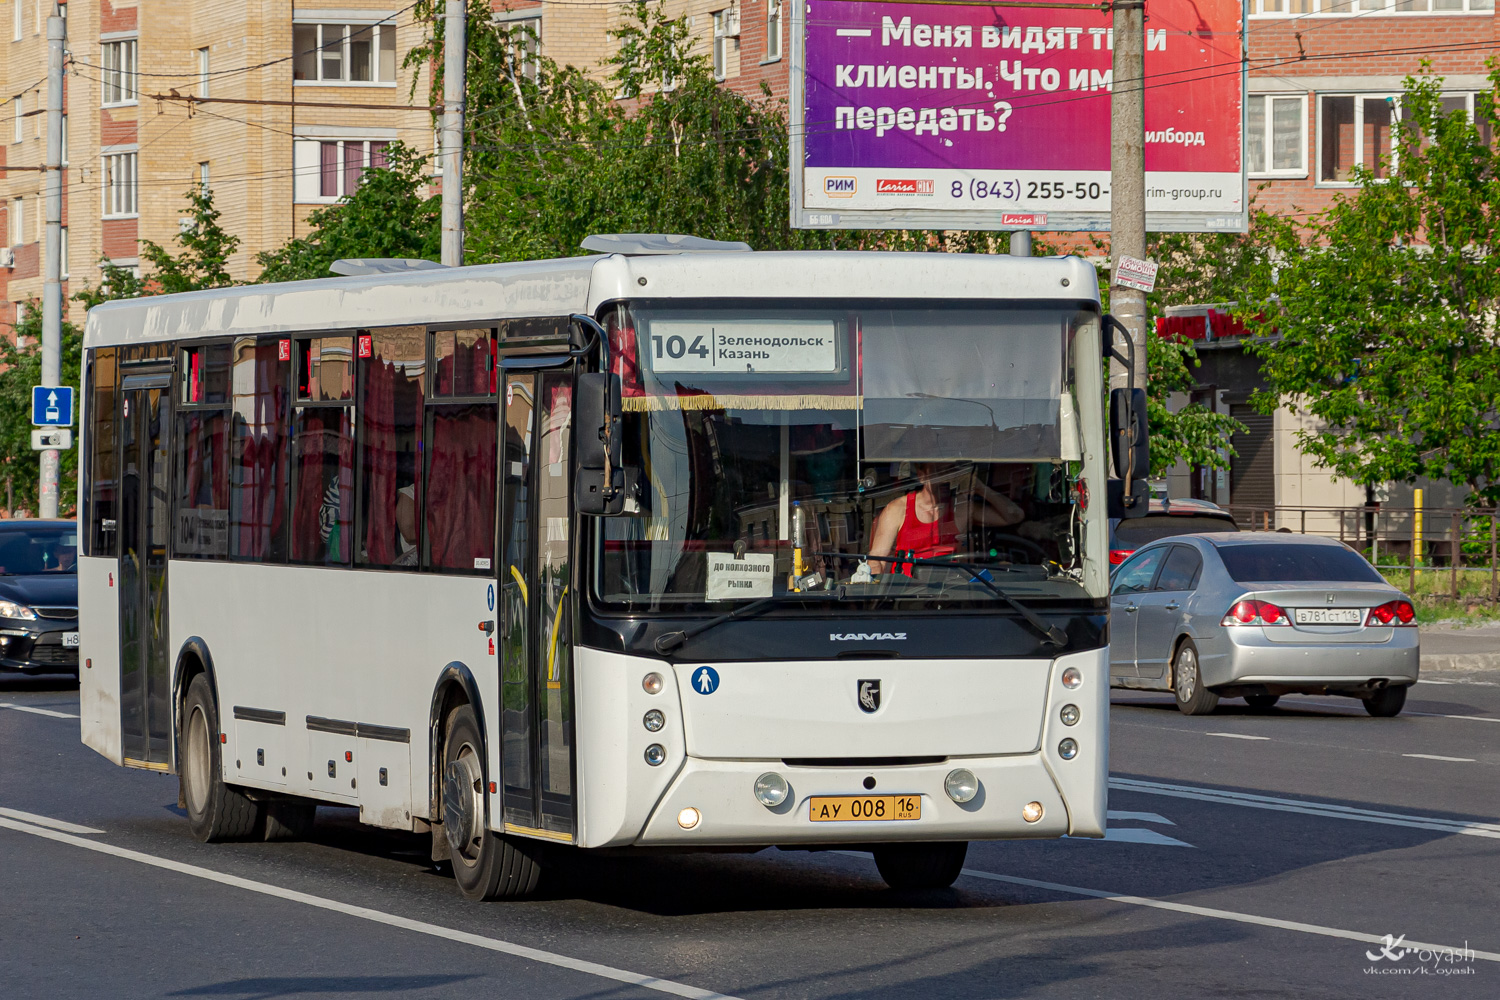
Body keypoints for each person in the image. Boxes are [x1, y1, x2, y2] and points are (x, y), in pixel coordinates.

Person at [869, 463, 1024, 575]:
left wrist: (980, 488)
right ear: (922, 475)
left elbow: (1014, 516)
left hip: (953, 596)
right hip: (909, 596)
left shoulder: (961, 508)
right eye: (941, 472)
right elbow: (876, 560)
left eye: (951, 472)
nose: (946, 479)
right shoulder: (897, 510)